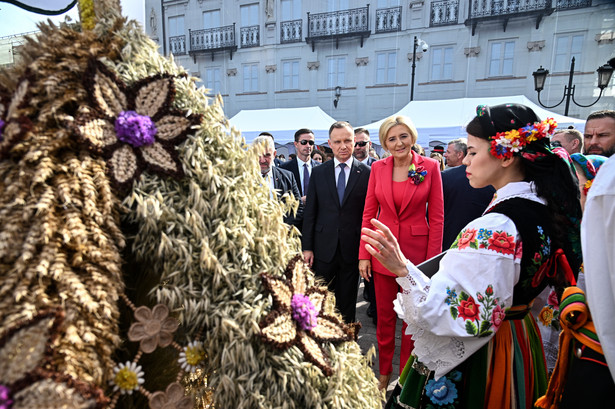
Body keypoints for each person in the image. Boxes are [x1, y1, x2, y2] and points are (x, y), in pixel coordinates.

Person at [362, 104, 581, 409]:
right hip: (520, 337)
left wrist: (403, 269)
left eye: (474, 152)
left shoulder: (497, 227)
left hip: (487, 353)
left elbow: (450, 313)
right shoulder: (543, 205)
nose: (465, 159)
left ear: (505, 155)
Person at [358, 115, 444, 390]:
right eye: (392, 138)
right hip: (382, 253)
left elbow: (438, 217)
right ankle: (384, 371)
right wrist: (364, 253)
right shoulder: (377, 169)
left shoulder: (430, 167)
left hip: (417, 258)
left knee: (413, 319)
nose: (398, 143)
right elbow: (369, 213)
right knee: (384, 319)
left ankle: (406, 375)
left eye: (403, 136)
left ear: (412, 137)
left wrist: (432, 262)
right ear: (384, 143)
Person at [302, 121, 371, 324]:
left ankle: (347, 344)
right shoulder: (319, 172)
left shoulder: (366, 173)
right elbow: (311, 212)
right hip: (323, 249)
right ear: (330, 144)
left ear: (354, 141)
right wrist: (307, 248)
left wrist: (365, 252)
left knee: (347, 303)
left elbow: (369, 214)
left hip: (352, 250)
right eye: (338, 141)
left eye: (348, 141)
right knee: (320, 301)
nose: (343, 146)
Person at [252, 135, 303, 229]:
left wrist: (283, 227)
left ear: (274, 154)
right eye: (258, 155)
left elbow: (298, 208)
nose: (262, 160)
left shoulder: (287, 177)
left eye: (267, 155)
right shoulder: (243, 178)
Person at [280, 128, 320, 204]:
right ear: (296, 144)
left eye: (311, 142)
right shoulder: (284, 169)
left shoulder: (321, 168)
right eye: (304, 142)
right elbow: (282, 197)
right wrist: (299, 201)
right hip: (295, 212)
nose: (308, 146)